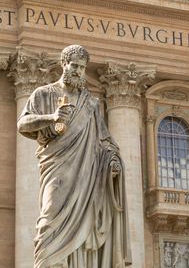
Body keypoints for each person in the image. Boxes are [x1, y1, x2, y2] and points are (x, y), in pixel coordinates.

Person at [17, 44, 132, 268]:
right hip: (57, 169)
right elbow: (22, 124)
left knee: (85, 228)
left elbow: (104, 140)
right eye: (75, 65)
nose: (79, 71)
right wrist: (51, 117)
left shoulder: (91, 104)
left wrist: (113, 162)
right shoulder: (43, 94)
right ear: (64, 64)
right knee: (49, 220)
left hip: (86, 175)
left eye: (82, 67)